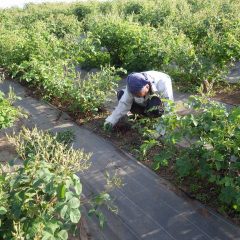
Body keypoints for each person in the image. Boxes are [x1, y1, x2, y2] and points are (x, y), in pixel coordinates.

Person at [103, 71, 174, 131]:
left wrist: (160, 131)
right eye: (135, 95)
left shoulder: (163, 83)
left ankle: (152, 118)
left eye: (140, 95)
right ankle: (140, 116)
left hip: (154, 104)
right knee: (121, 95)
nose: (138, 97)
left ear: (147, 86)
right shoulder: (132, 83)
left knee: (155, 106)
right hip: (144, 105)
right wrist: (110, 121)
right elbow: (124, 104)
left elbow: (169, 107)